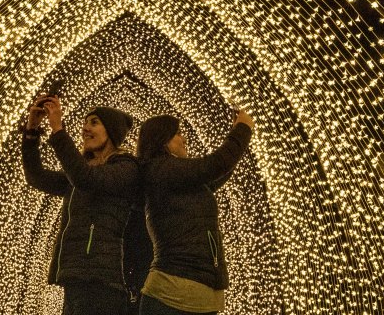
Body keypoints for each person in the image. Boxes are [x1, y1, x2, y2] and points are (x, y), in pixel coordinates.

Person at [21, 93, 141, 315]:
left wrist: (58, 129)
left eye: (94, 123)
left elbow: (85, 179)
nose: (85, 128)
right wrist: (32, 132)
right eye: (85, 123)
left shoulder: (126, 168)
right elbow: (36, 177)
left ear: (112, 132)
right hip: (76, 276)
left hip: (105, 281)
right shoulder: (80, 172)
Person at [135, 109, 255, 315]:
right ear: (162, 140)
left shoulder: (176, 179)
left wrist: (237, 135)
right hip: (174, 298)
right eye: (178, 133)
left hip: (190, 297)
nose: (184, 138)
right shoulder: (161, 169)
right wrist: (242, 129)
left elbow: (217, 171)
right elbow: (216, 165)